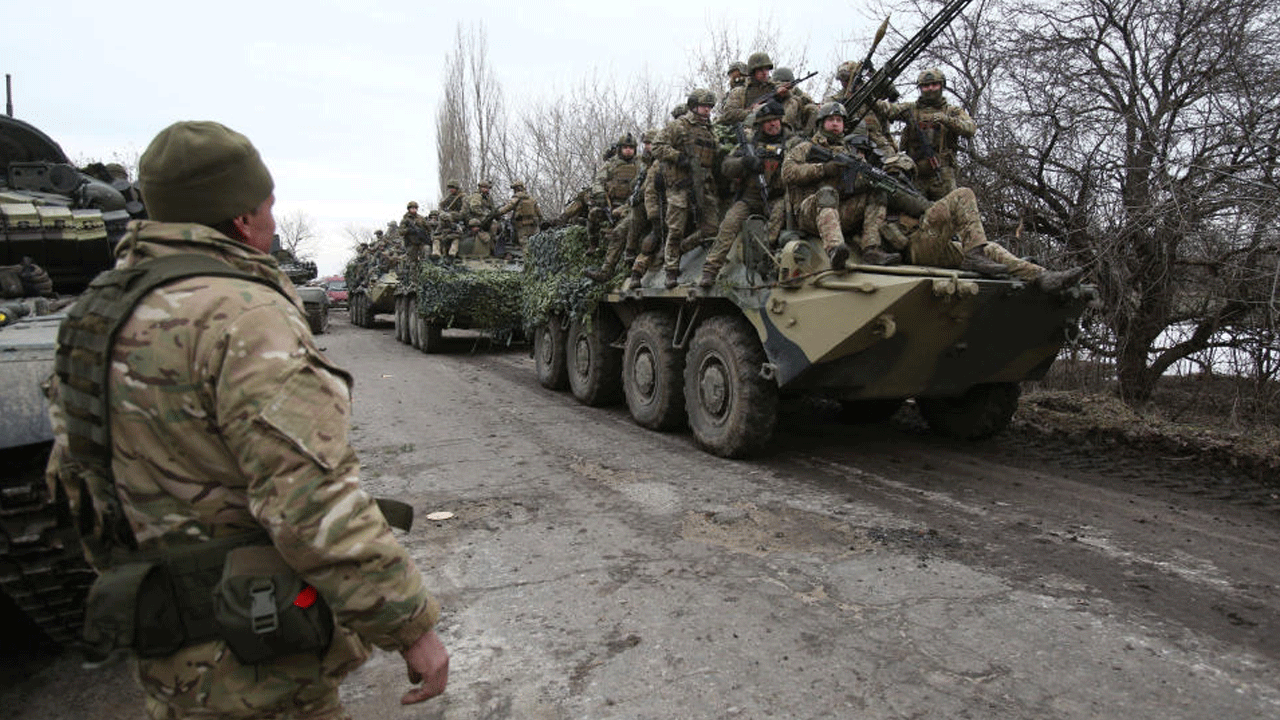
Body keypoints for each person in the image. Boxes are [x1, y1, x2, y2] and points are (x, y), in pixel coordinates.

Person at [43, 120, 448, 720]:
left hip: (164, 644)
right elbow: (310, 503)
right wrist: (409, 625)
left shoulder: (96, 312)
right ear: (240, 219)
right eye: (268, 206)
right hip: (259, 650)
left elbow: (73, 477)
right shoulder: (244, 315)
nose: (274, 222)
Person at [782, 102, 901, 268]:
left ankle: (871, 248)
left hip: (838, 211)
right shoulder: (805, 148)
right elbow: (787, 172)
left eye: (839, 120)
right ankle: (835, 250)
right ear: (821, 123)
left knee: (877, 193)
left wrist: (869, 181)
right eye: (831, 119)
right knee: (827, 192)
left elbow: (851, 186)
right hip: (809, 214)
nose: (835, 124)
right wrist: (823, 169)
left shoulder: (849, 152)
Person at [700, 100, 791, 287]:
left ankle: (769, 259)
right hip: (750, 197)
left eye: (775, 120)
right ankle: (710, 269)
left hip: (777, 198)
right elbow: (726, 167)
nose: (773, 124)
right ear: (761, 124)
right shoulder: (749, 145)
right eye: (768, 121)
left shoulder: (792, 143)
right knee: (730, 223)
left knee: (781, 212)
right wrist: (744, 162)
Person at [652, 88, 723, 288]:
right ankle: (671, 269)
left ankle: (680, 251)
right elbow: (658, 146)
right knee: (675, 229)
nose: (707, 110)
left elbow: (716, 156)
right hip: (681, 186)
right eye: (704, 106)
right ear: (693, 106)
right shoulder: (679, 126)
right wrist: (678, 157)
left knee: (711, 229)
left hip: (705, 185)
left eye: (710, 107)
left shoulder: (711, 130)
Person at [877, 68, 976, 200]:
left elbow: (970, 128)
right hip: (916, 174)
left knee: (948, 213)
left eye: (934, 85)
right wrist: (869, 90)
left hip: (942, 175)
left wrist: (947, 120)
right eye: (925, 86)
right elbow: (887, 109)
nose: (930, 89)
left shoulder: (952, 111)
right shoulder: (911, 109)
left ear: (942, 86)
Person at [826, 60, 897, 157]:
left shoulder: (870, 89)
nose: (843, 83)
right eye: (841, 79)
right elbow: (826, 108)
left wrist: (872, 72)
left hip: (875, 136)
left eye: (846, 78)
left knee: (891, 155)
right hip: (850, 138)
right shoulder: (837, 98)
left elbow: (889, 91)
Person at [717, 52, 777, 127]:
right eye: (760, 70)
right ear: (752, 72)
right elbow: (728, 114)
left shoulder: (775, 86)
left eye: (766, 69)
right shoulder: (740, 92)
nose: (764, 73)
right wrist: (752, 112)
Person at [494, 179, 543, 249]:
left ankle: (527, 258)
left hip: (522, 225)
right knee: (535, 244)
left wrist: (498, 213)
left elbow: (508, 207)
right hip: (533, 225)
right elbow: (539, 212)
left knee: (524, 245)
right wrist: (540, 221)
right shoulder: (531, 199)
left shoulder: (517, 198)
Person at [770, 67, 818, 133]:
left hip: (797, 121)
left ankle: (807, 135)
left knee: (813, 108)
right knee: (793, 102)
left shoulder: (796, 91)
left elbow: (806, 98)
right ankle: (784, 131)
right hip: (776, 117)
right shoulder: (770, 90)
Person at [462, 179, 497, 256]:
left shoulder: (488, 197)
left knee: (497, 224)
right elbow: (474, 208)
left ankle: (494, 242)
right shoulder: (477, 196)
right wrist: (485, 215)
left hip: (482, 217)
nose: (486, 189)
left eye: (487, 188)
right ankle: (493, 246)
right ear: (480, 188)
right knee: (493, 224)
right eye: (484, 188)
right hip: (474, 217)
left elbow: (492, 208)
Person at [436, 178, 466, 256]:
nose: (451, 190)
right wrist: (442, 213)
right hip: (450, 218)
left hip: (460, 217)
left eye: (452, 188)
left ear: (456, 188)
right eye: (450, 188)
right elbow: (441, 205)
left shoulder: (462, 197)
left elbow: (463, 212)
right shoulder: (450, 197)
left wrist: (452, 215)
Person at [400, 200, 430, 271]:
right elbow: (401, 231)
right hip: (411, 244)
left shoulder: (421, 218)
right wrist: (409, 230)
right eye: (412, 208)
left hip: (421, 242)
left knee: (424, 261)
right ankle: (413, 281)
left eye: (415, 208)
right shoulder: (405, 220)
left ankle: (423, 278)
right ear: (409, 209)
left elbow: (428, 228)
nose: (413, 210)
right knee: (413, 263)